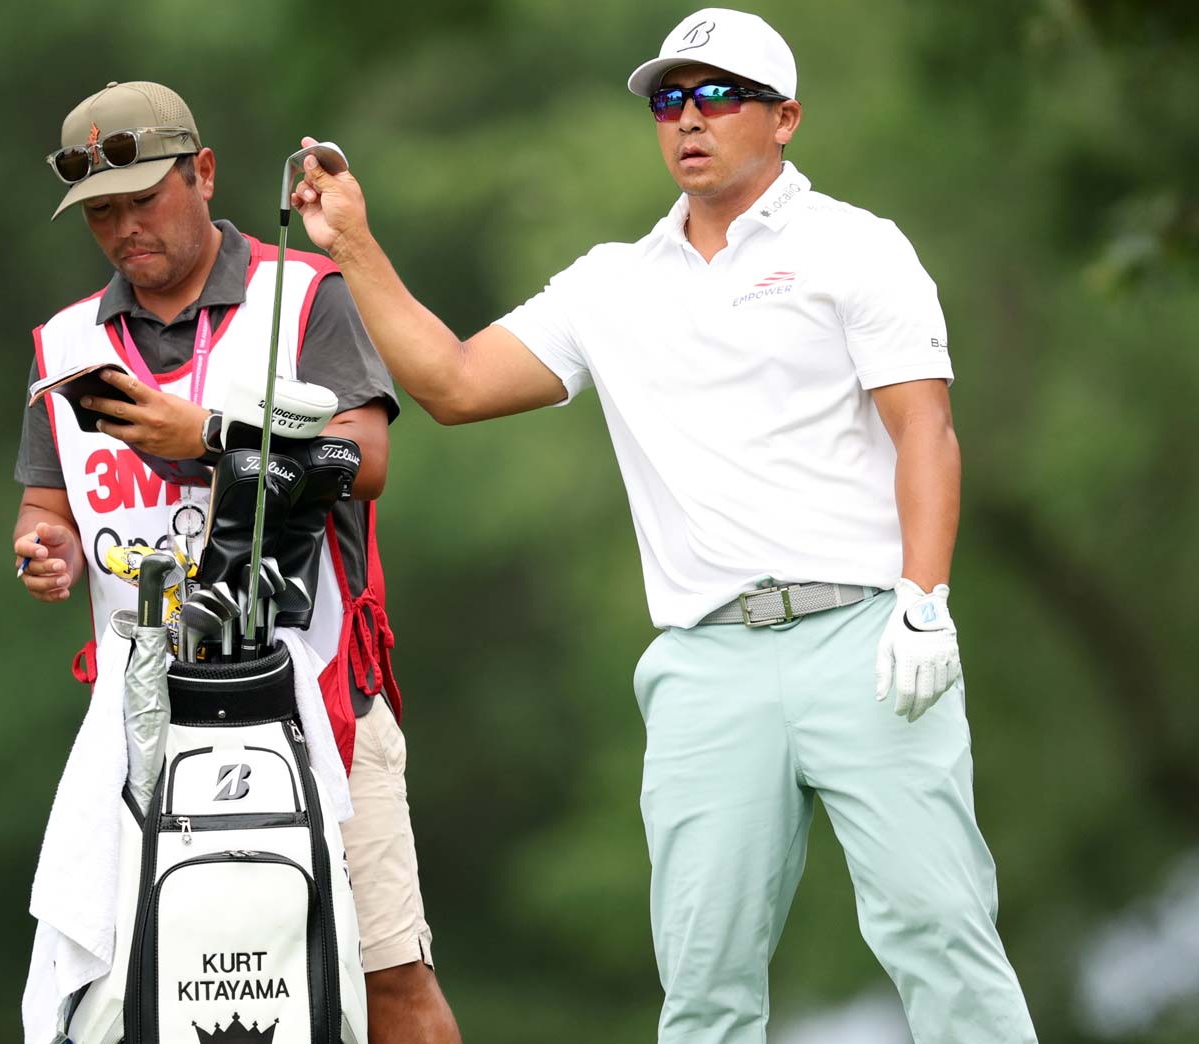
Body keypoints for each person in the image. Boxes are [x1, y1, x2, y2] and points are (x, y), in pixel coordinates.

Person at [287, 9, 1039, 1043]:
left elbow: (926, 432)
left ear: (784, 118)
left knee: (940, 934)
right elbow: (454, 383)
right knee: (702, 982)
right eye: (669, 99)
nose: (688, 118)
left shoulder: (855, 247)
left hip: (868, 637)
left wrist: (923, 600)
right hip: (705, 661)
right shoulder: (611, 282)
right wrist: (353, 244)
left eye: (717, 95)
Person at [12, 80, 461, 1044]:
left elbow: (367, 459)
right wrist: (44, 550)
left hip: (320, 692)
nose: (124, 229)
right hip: (141, 718)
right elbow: (48, 506)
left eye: (143, 199)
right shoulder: (67, 342)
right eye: (101, 213)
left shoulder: (301, 294)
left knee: (388, 977)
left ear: (204, 173)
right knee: (143, 988)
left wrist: (208, 436)